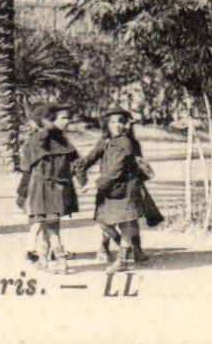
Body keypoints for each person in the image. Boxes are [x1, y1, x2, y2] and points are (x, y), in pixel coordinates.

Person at [77, 108, 163, 270]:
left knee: (126, 222)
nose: (117, 125)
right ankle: (132, 250)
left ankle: (123, 259)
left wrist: (93, 183)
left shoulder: (126, 142)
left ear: (126, 124)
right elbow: (89, 158)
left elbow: (117, 168)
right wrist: (80, 173)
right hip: (110, 188)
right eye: (113, 122)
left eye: (121, 121)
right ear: (107, 124)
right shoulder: (106, 140)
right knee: (103, 220)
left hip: (126, 188)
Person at [17, 103, 79, 272]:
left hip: (39, 189)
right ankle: (44, 260)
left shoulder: (33, 141)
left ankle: (61, 263)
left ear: (39, 122)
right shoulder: (63, 141)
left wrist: (21, 193)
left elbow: (26, 170)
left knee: (48, 228)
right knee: (51, 226)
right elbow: (76, 164)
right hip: (58, 189)